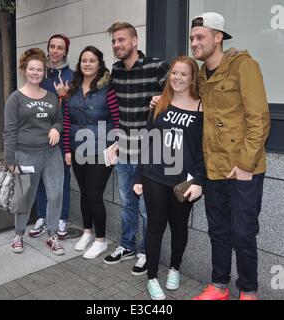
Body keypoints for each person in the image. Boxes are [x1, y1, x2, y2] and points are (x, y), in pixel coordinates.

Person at [188, 12, 270, 300]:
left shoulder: (243, 66)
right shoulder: (200, 73)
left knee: (243, 233)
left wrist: (246, 163)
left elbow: (259, 118)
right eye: (192, 38)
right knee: (218, 231)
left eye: (200, 37)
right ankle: (219, 286)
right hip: (214, 167)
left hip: (243, 168)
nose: (194, 43)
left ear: (218, 37)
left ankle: (248, 292)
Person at [133, 55, 205, 300]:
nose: (177, 78)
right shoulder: (159, 103)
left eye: (184, 74)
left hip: (182, 182)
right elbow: (147, 141)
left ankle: (175, 268)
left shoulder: (201, 108)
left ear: (192, 77)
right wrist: (138, 176)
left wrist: (199, 181)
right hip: (154, 175)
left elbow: (204, 150)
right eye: (174, 73)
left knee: (178, 227)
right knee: (154, 226)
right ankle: (152, 277)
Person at [103, 22, 170, 275]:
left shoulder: (157, 66)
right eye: (113, 41)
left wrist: (162, 100)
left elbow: (178, 94)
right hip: (124, 149)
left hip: (150, 153)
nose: (117, 45)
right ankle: (127, 245)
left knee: (145, 207)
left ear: (135, 41)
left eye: (121, 40)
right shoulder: (116, 71)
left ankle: (145, 252)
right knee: (127, 202)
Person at [4, 48, 65, 255]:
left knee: (55, 195)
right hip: (25, 155)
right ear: (25, 69)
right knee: (25, 197)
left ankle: (52, 235)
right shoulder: (16, 98)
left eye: (39, 69)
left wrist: (56, 128)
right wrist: (10, 160)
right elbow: (9, 131)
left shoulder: (51, 97)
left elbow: (59, 120)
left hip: (52, 155)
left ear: (44, 72)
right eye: (32, 69)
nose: (35, 73)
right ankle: (18, 235)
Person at [64, 46, 119, 259]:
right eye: (84, 60)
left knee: (94, 194)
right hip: (78, 148)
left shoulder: (108, 89)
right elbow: (68, 120)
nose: (87, 64)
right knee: (85, 192)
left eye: (92, 60)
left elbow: (117, 118)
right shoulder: (73, 88)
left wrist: (115, 145)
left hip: (101, 150)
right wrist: (67, 149)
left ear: (99, 64)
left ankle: (101, 240)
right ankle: (87, 232)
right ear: (80, 64)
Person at [28, 34, 74, 240]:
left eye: (60, 48)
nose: (55, 51)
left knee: (61, 179)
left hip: (62, 136)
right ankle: (42, 217)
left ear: (65, 51)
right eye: (52, 46)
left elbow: (74, 110)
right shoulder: (39, 73)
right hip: (38, 136)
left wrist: (64, 96)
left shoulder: (72, 76)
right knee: (38, 179)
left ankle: (62, 218)